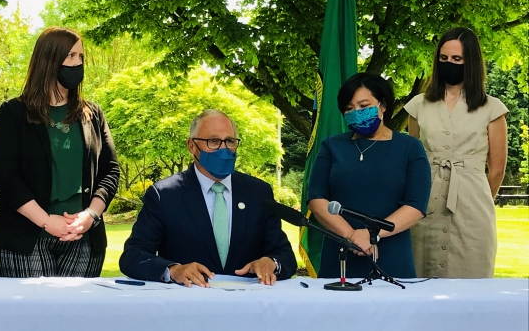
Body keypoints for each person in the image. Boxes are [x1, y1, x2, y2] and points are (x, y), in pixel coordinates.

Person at [0, 26, 119, 278]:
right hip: (25, 239)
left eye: (81, 57)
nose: (77, 63)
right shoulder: (14, 113)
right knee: (32, 317)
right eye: (70, 56)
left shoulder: (93, 115)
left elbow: (110, 171)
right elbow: (5, 176)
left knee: (77, 317)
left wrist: (91, 215)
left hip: (83, 239)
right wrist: (47, 221)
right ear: (48, 60)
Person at [119, 109, 297, 287]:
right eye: (213, 141)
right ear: (191, 146)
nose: (224, 149)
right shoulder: (164, 195)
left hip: (248, 305)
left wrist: (271, 263)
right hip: (188, 305)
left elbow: (285, 256)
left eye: (230, 141)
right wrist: (173, 270)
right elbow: (133, 256)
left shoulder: (258, 193)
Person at [405, 27, 509, 278]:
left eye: (457, 59)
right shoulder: (418, 105)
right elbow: (413, 159)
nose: (449, 64)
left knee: (471, 278)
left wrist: (475, 197)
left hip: (472, 204)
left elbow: (496, 170)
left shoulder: (492, 108)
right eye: (444, 59)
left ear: (470, 62)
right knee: (420, 276)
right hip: (425, 201)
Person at [307, 73, 431, 279]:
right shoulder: (331, 146)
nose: (356, 113)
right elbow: (317, 199)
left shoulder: (409, 147)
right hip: (340, 254)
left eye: (364, 106)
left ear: (383, 105)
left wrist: (373, 235)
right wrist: (351, 236)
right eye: (349, 109)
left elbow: (416, 205)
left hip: (391, 254)